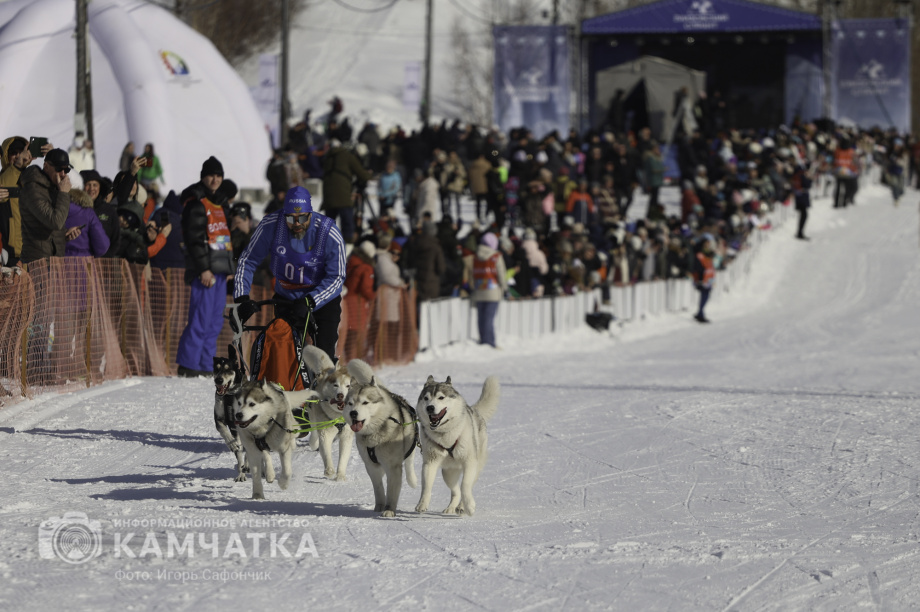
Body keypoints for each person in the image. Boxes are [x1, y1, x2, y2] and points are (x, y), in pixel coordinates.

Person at [234, 185, 346, 365]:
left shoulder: (328, 232)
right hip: (287, 298)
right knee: (285, 356)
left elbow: (337, 277)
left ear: (310, 213)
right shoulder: (270, 225)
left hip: (322, 300)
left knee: (323, 357)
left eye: (302, 218)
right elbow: (248, 260)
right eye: (290, 218)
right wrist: (242, 297)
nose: (296, 224)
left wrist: (311, 300)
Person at [175, 156, 235, 377]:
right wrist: (203, 269)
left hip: (220, 272)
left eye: (219, 176)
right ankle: (189, 363)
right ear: (203, 177)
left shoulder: (220, 203)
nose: (215, 180)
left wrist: (229, 269)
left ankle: (204, 364)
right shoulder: (196, 203)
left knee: (214, 323)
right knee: (200, 320)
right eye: (211, 175)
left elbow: (223, 238)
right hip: (205, 273)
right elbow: (194, 239)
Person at [18, 149, 72, 263]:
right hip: (37, 263)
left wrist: (64, 233)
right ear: (46, 166)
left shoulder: (54, 187)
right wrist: (63, 194)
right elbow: (55, 222)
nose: (63, 174)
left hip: (54, 262)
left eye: (66, 169)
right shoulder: (33, 188)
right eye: (58, 169)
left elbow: (49, 226)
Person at [320, 139, 371, 244]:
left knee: (329, 222)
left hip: (328, 194)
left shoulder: (329, 156)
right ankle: (347, 243)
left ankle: (325, 242)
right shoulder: (348, 156)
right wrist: (370, 175)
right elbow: (361, 173)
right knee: (347, 221)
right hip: (342, 194)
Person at [471, 232, 507, 348]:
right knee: (489, 318)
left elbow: (473, 273)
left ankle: (482, 339)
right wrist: (504, 287)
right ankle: (489, 342)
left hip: (479, 289)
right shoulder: (496, 256)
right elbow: (501, 274)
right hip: (493, 290)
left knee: (481, 317)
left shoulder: (476, 256)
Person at [343, 239, 376, 357]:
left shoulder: (349, 262)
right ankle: (353, 361)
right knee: (356, 333)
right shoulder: (366, 268)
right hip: (357, 303)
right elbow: (365, 289)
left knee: (348, 333)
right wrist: (374, 296)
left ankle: (346, 359)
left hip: (345, 300)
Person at [63, 188, 109, 257]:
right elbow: (102, 246)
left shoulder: (52, 209)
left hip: (55, 262)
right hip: (84, 262)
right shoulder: (88, 213)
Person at [691, 235, 715, 323]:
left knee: (707, 295)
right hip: (703, 278)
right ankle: (700, 313)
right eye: (707, 243)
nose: (708, 244)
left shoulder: (708, 253)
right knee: (704, 295)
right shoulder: (700, 254)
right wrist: (700, 278)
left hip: (709, 277)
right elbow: (698, 266)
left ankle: (700, 312)